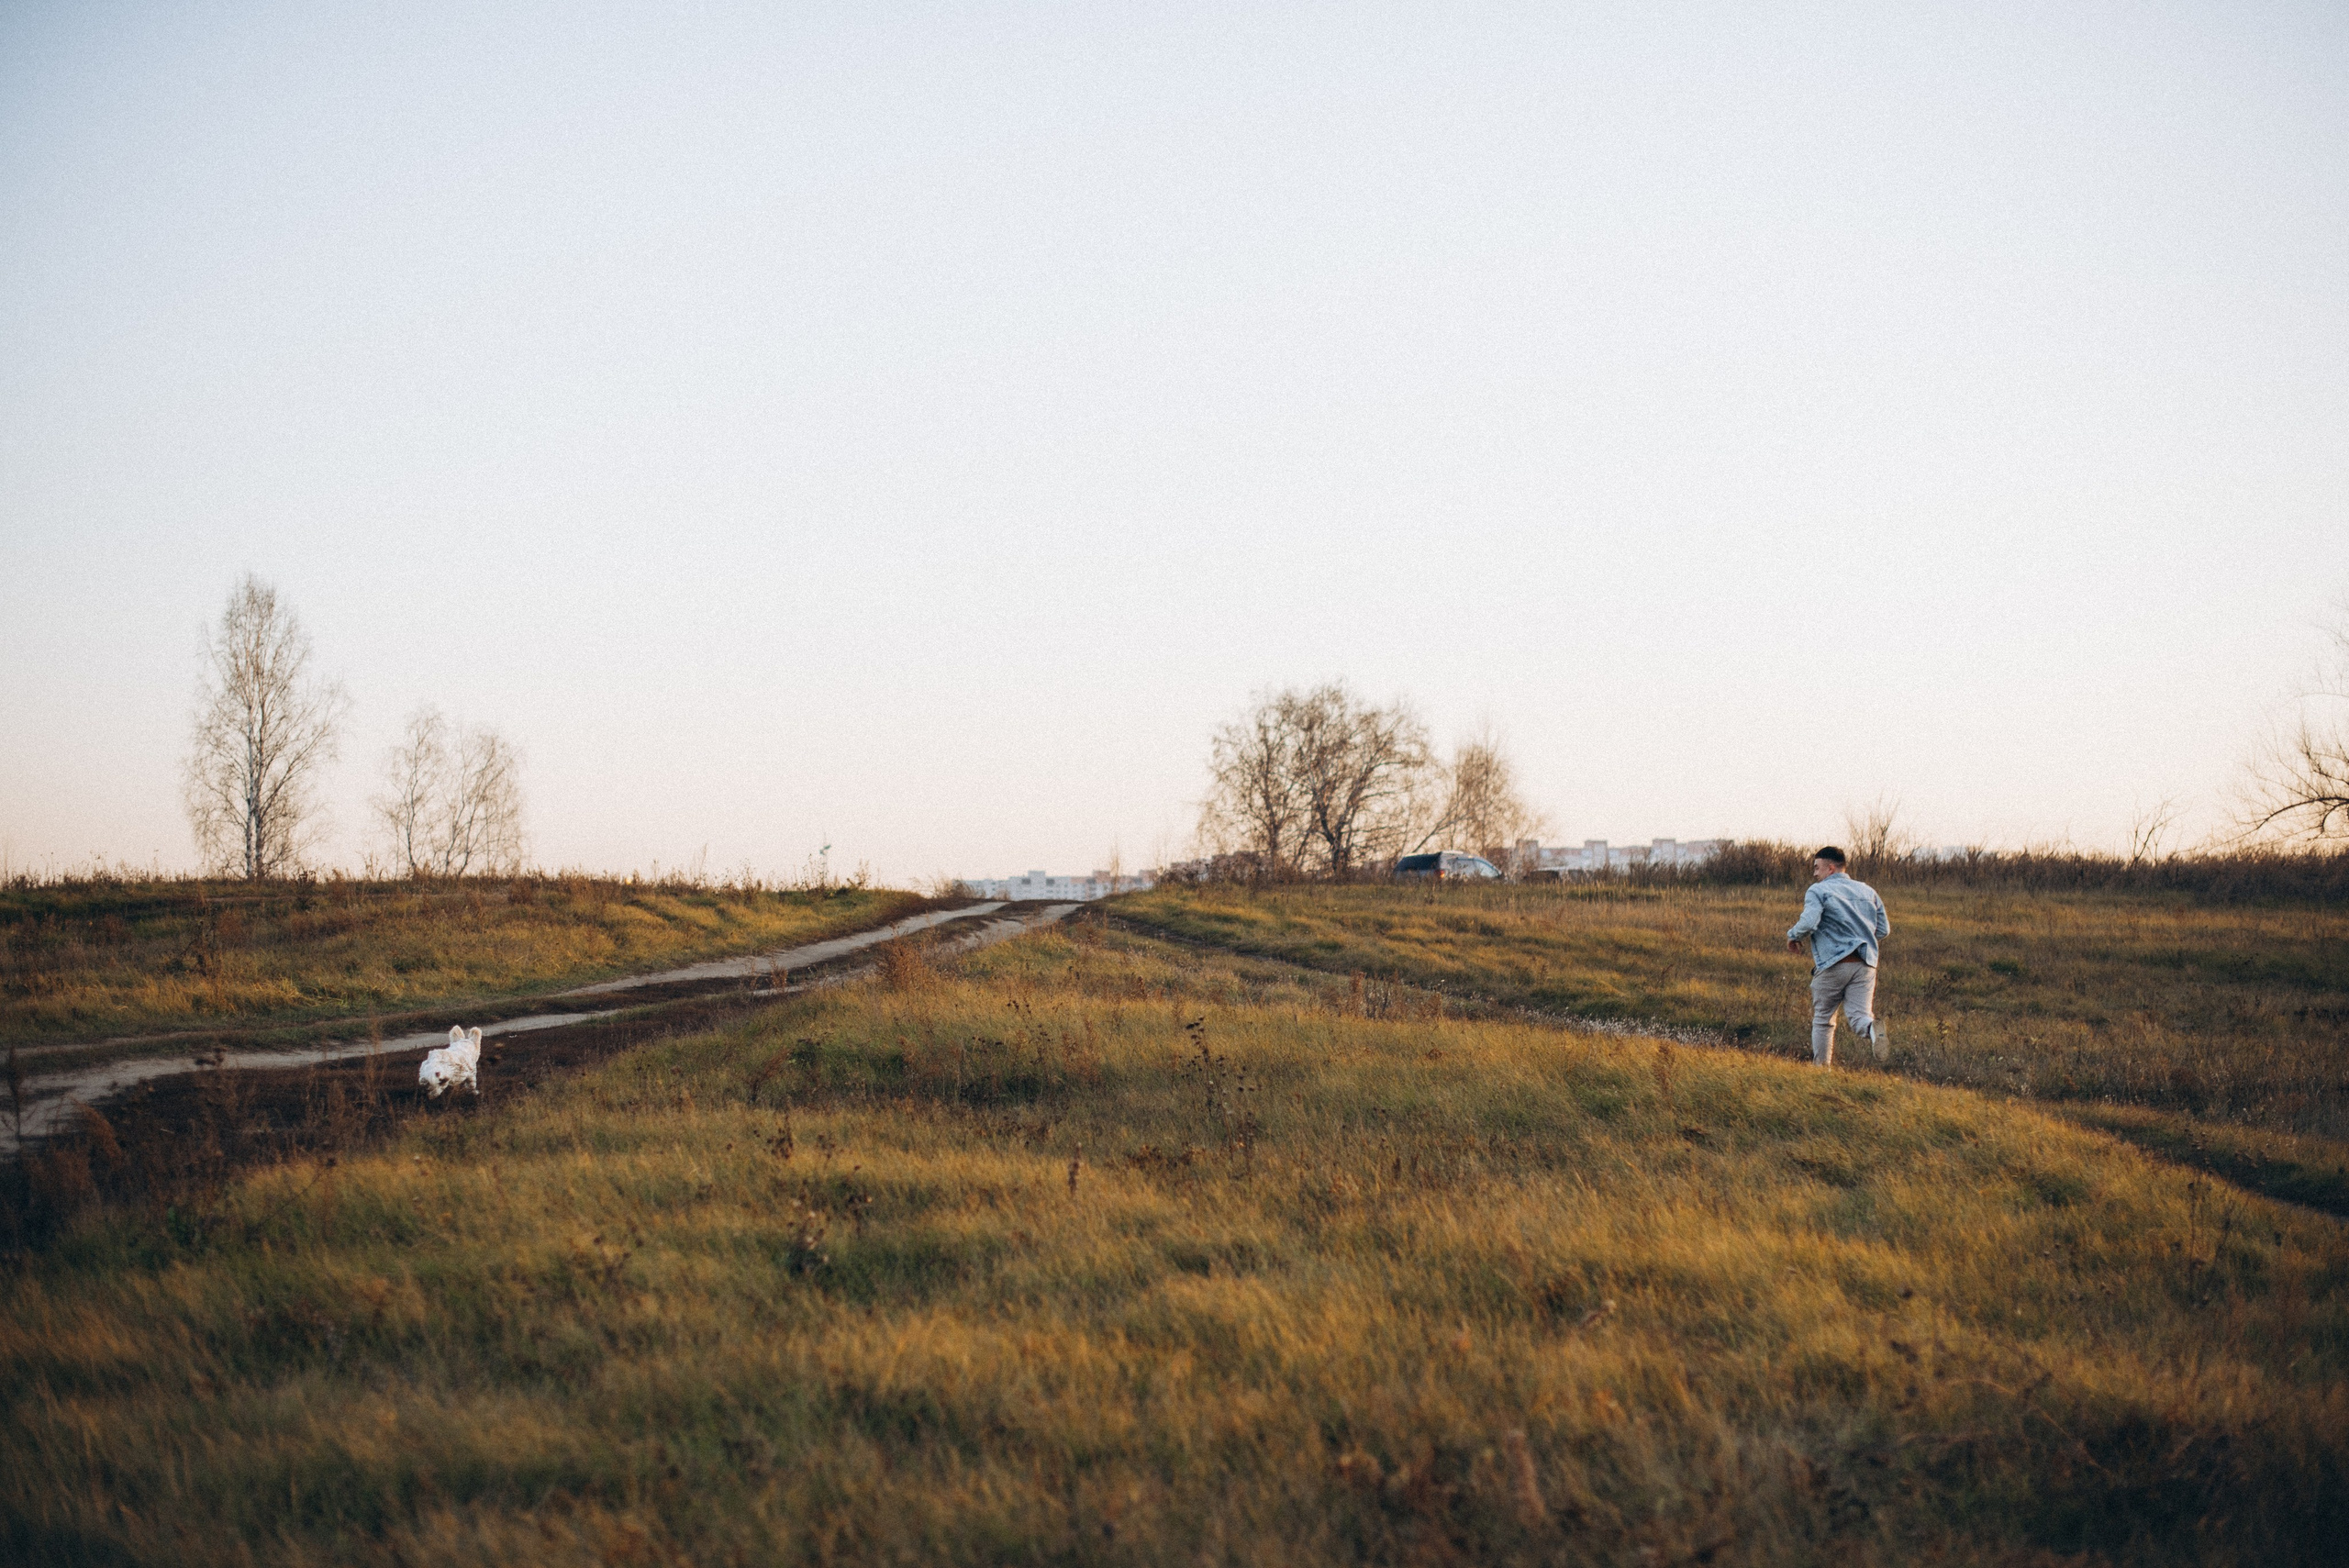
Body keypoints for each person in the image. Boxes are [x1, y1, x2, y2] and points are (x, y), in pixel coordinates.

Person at [1786, 845, 1890, 1066]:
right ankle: (1872, 1029)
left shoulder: (1818, 890)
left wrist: (1793, 936)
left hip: (1834, 964)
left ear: (1830, 868)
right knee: (1859, 1017)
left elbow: (1809, 922)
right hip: (1865, 964)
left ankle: (1821, 1072)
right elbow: (1883, 931)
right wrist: (1859, 936)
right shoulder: (1868, 891)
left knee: (1823, 1019)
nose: (1814, 873)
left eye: (1817, 867)